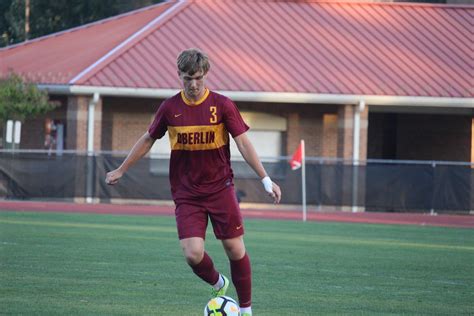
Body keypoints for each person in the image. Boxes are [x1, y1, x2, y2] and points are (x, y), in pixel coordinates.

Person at [105, 48, 281, 316]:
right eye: (188, 78)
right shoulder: (170, 108)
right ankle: (218, 283)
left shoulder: (222, 105)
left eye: (198, 77)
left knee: (235, 248)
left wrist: (265, 178)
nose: (194, 84)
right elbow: (149, 139)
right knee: (192, 254)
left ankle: (246, 310)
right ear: (179, 76)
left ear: (206, 74)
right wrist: (121, 169)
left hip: (220, 188)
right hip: (187, 193)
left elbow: (243, 141)